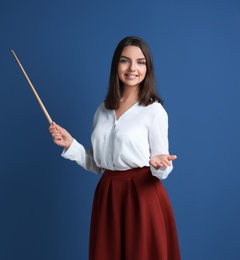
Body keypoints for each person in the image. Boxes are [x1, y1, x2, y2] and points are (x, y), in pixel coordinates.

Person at [49, 36, 180, 260]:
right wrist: (71, 144)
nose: (132, 68)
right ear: (116, 66)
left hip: (142, 197)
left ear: (147, 68)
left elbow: (162, 166)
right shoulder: (102, 110)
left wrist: (160, 165)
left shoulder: (154, 111)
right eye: (125, 61)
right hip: (108, 195)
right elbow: (96, 164)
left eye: (140, 62)